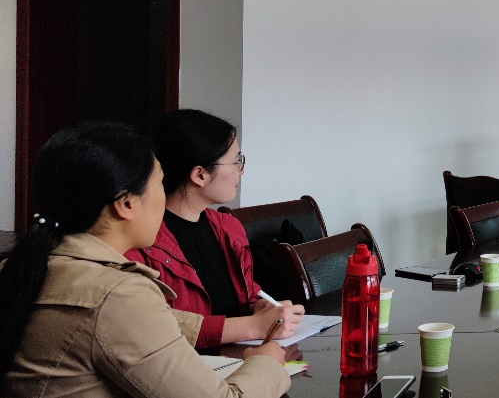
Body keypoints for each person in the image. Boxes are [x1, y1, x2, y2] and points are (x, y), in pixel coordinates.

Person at [0, 123, 290, 397]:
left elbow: (144, 321)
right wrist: (266, 363)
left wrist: (246, 326)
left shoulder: (26, 266)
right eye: (161, 185)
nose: (165, 198)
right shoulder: (115, 293)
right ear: (126, 204)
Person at [126, 109, 304, 349]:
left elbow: (246, 294)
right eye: (236, 161)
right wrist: (253, 326)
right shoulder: (141, 240)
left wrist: (259, 307)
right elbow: (153, 327)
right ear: (200, 175)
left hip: (237, 357)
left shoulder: (227, 227)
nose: (241, 171)